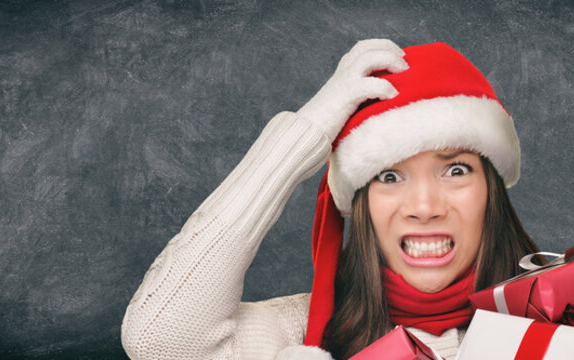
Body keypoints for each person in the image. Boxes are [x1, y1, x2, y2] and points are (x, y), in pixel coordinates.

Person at [121, 39, 540, 360]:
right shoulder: (301, 332)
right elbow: (156, 337)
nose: (425, 207)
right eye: (389, 175)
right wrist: (309, 130)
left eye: (456, 170)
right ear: (359, 207)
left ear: (493, 192)